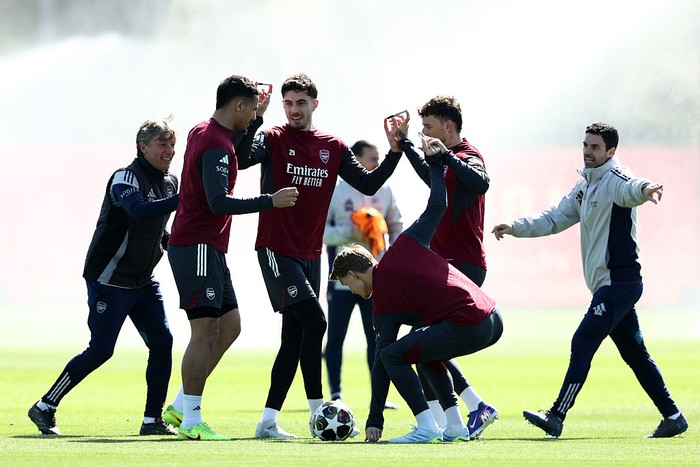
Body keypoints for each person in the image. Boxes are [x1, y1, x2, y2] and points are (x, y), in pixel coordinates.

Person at [492, 122, 688, 439]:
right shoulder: (585, 184)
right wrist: (515, 226)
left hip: (619, 284)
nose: (588, 152)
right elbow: (554, 218)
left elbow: (632, 187)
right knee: (635, 354)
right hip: (608, 286)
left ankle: (556, 415)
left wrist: (648, 189)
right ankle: (674, 417)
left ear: (611, 152)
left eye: (595, 147)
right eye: (585, 145)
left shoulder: (614, 178)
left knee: (582, 340)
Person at [234, 73, 403, 439]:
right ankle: (318, 412)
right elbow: (242, 158)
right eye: (288, 104)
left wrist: (394, 152)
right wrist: (257, 119)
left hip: (310, 255)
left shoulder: (334, 146)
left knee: (293, 338)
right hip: (277, 248)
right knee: (317, 322)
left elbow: (370, 184)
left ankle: (267, 421)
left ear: (314, 104)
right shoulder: (274, 137)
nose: (294, 110)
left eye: (300, 103)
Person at [329, 134, 503, 443]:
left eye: (347, 284)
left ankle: (426, 426)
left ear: (355, 275)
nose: (352, 292)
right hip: (491, 316)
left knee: (394, 354)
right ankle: (454, 426)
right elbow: (438, 204)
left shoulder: (382, 301)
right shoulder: (406, 243)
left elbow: (383, 361)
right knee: (419, 349)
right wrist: (435, 166)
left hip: (470, 323)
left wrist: (374, 418)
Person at [162, 75, 298, 441]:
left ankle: (179, 404)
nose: (256, 113)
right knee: (204, 331)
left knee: (231, 326)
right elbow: (217, 202)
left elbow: (236, 145)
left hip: (209, 248)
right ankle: (190, 419)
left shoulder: (205, 130)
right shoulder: (215, 145)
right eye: (252, 108)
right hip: (197, 246)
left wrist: (256, 120)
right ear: (237, 105)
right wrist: (270, 200)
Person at [28, 119, 180, 436]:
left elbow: (156, 226)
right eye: (162, 144)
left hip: (142, 280)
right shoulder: (125, 177)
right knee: (101, 349)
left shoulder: (170, 183)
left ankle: (152, 421)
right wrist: (186, 198)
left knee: (163, 343)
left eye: (172, 144)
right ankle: (45, 406)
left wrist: (169, 242)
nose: (170, 151)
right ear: (143, 147)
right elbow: (138, 211)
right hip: (109, 277)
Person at [395, 97, 496, 436]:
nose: (425, 133)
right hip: (445, 265)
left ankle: (457, 414)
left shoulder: (468, 154)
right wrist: (406, 144)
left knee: (423, 342)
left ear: (448, 128)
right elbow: (431, 177)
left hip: (464, 265)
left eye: (428, 128)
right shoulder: (446, 160)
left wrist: (446, 156)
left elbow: (482, 182)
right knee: (424, 342)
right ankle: (455, 414)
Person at [323, 139, 403, 407]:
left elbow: (396, 225)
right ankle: (336, 394)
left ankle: (378, 396)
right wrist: (350, 232)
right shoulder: (336, 192)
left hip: (375, 278)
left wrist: (392, 257)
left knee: (377, 338)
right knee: (336, 337)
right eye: (372, 160)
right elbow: (319, 232)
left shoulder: (386, 190)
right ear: (356, 161)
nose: (377, 165)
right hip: (343, 282)